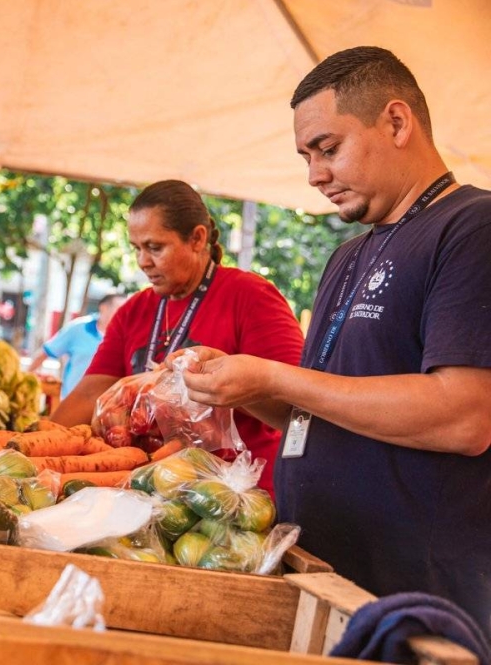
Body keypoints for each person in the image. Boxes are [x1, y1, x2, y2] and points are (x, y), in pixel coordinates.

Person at [171, 47, 491, 626]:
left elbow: (465, 416)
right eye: (305, 156)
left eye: (328, 149)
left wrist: (272, 373)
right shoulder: (348, 254)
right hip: (325, 571)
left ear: (396, 122)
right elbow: (323, 411)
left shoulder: (473, 227)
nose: (315, 175)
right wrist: (241, 384)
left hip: (418, 594)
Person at [50, 180, 305, 495]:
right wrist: (35, 449)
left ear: (197, 238)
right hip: (151, 489)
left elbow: (296, 403)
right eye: (137, 248)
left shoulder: (251, 297)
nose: (143, 261)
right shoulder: (135, 310)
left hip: (236, 494)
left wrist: (222, 383)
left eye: (155, 247)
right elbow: (90, 395)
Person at [27, 293, 126, 400]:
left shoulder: (126, 336)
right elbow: (45, 353)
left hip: (106, 407)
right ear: (103, 307)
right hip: (72, 402)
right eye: (119, 309)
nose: (124, 314)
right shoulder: (78, 328)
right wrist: (25, 381)